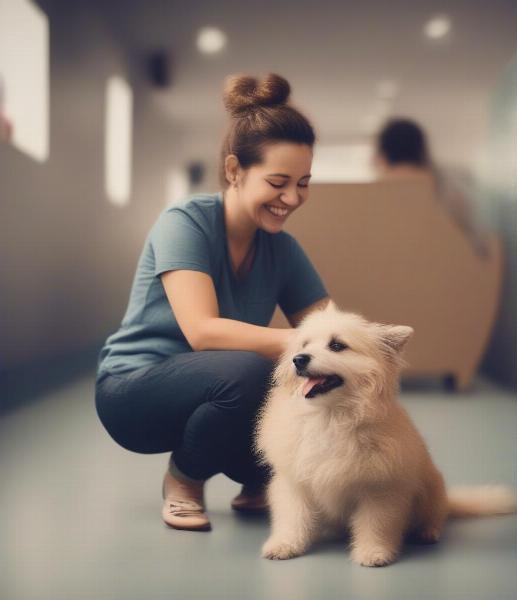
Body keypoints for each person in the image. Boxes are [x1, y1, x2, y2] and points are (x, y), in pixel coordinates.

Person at [94, 73, 330, 531]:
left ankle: (257, 479)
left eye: (303, 183)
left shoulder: (282, 248)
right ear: (233, 170)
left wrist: (360, 352)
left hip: (219, 391)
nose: (292, 198)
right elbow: (203, 332)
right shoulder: (184, 221)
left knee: (305, 400)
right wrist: (303, 345)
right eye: (279, 181)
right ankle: (183, 480)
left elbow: (328, 324)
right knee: (256, 369)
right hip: (133, 392)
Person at [374, 118, 491, 258]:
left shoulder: (376, 196)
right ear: (422, 152)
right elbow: (481, 247)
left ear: (382, 157)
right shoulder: (453, 187)